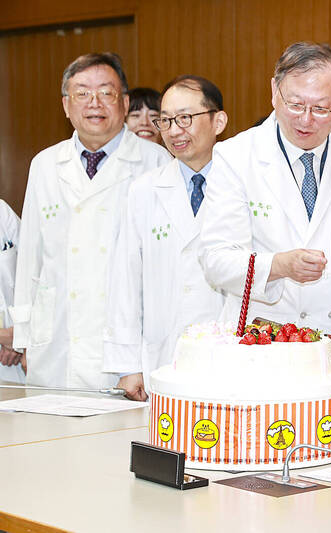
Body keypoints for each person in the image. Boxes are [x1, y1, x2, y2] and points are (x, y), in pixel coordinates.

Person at [199, 42, 331, 441]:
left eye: (321, 108)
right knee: (264, 471)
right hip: (265, 340)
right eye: (294, 104)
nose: (306, 120)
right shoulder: (235, 156)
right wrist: (279, 265)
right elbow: (215, 258)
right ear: (274, 91)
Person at [10, 53, 171, 388]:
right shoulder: (45, 164)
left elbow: (165, 267)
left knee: (117, 438)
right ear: (66, 105)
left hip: (126, 351)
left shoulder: (156, 163)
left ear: (124, 103)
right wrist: (24, 338)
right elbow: (29, 259)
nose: (94, 103)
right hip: (55, 344)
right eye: (82, 93)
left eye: (106, 93)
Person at [105, 76, 228, 400]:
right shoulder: (144, 190)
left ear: (218, 121)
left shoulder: (243, 185)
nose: (174, 130)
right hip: (163, 356)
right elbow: (126, 280)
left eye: (185, 118)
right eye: (166, 120)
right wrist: (127, 365)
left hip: (230, 358)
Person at [0, 199, 23, 383]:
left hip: (15, 363)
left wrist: (21, 333)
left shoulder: (2, 213)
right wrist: (5, 336)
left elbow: (35, 269)